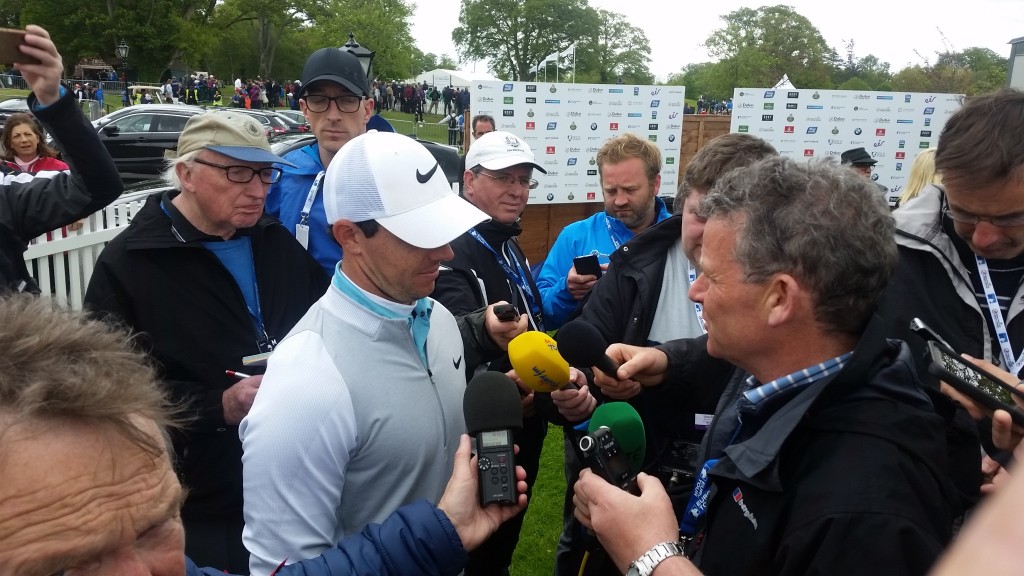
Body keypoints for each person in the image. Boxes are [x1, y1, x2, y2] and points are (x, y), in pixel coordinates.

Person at [575, 156, 959, 576]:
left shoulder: (867, 505)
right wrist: (669, 361)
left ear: (779, 299)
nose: (695, 292)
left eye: (710, 276)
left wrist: (653, 557)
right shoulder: (790, 366)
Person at [0, 294, 531, 576]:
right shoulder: (310, 377)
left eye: (155, 526)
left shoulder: (432, 315)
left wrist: (443, 530)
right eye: (62, 568)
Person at [241, 131, 527, 575]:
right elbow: (281, 570)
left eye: (445, 227)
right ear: (350, 236)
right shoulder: (306, 381)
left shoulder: (441, 321)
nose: (447, 251)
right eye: (420, 233)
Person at [84, 111, 329, 572]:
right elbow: (108, 398)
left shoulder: (273, 240)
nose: (257, 190)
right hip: (198, 502)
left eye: (264, 173)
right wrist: (219, 405)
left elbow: (324, 319)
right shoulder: (131, 264)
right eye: (237, 173)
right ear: (186, 174)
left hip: (295, 478)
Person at [554, 133, 778, 576]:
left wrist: (665, 362)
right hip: (639, 472)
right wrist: (586, 384)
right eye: (699, 213)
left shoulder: (784, 281)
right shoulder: (635, 262)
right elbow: (580, 349)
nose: (708, 231)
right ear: (681, 204)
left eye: (726, 217)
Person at [879, 89, 1024, 495]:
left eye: (1009, 218)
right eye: (963, 211)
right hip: (921, 505)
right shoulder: (888, 253)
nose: (983, 236)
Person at [430, 130, 551, 575]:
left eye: (523, 180)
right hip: (481, 429)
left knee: (501, 546)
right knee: (474, 550)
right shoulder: (451, 247)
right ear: (469, 181)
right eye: (504, 178)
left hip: (522, 418)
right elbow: (446, 340)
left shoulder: (505, 241)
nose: (517, 190)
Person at [0, 25, 123, 294]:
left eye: (27, 135)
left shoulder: (7, 190)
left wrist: (54, 102)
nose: (23, 141)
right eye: (16, 136)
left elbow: (98, 187)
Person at [535, 133, 672, 328]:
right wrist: (566, 290)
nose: (620, 201)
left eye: (630, 190)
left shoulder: (680, 237)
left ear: (655, 184)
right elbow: (540, 312)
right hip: (593, 355)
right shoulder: (575, 237)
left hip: (659, 355)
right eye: (611, 191)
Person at [265, 47, 374, 275]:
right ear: (305, 109)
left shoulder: (396, 173)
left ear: (367, 109)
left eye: (346, 100)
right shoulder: (281, 173)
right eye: (318, 100)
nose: (333, 115)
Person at [1, 112, 69, 172]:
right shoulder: (3, 169)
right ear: (10, 143)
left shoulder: (59, 168)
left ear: (37, 138)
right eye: (17, 136)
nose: (24, 140)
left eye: (28, 134)